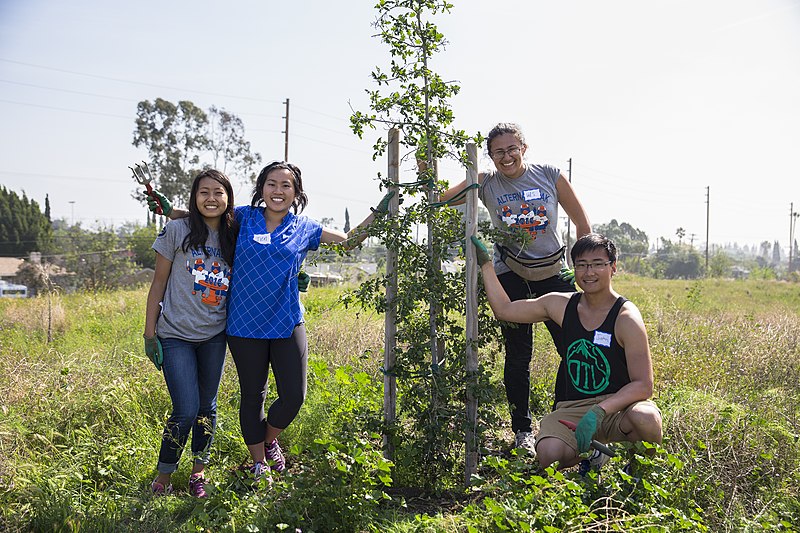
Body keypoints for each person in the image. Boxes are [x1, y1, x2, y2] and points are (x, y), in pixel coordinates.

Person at [150, 161, 393, 481]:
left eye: (286, 186)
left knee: (294, 395)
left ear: (296, 193)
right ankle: (258, 462)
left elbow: (348, 240)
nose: (278, 191)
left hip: (286, 320)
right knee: (254, 396)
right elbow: (209, 211)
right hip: (243, 324)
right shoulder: (244, 217)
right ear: (261, 189)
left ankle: (268, 440)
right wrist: (173, 211)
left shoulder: (305, 228)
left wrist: (379, 212)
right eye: (271, 184)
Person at [421, 123, 592, 453]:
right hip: (511, 273)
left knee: (573, 349)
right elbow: (440, 199)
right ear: (490, 156)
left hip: (554, 272)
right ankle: (522, 430)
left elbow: (582, 224)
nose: (507, 156)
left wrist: (583, 271)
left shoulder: (550, 176)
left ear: (524, 148)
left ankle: (570, 418)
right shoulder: (485, 182)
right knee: (518, 356)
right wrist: (426, 163)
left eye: (512, 149)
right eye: (498, 152)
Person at [472, 233, 663, 470]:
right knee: (548, 455)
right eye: (581, 265)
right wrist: (486, 264)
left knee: (646, 418)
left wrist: (600, 411)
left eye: (597, 264)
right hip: (573, 409)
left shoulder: (626, 318)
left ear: (613, 267)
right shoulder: (560, 305)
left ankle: (639, 474)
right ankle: (593, 453)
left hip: (617, 409)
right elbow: (505, 309)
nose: (589, 272)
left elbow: (644, 385)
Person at [144, 168, 238, 498]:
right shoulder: (176, 230)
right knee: (185, 408)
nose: (211, 198)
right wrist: (149, 333)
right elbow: (158, 283)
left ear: (229, 198)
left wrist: (292, 274)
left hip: (214, 335)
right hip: (175, 335)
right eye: (203, 192)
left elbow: (270, 248)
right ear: (194, 197)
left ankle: (199, 473)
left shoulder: (235, 233)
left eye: (218, 192)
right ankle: (164, 475)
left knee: (207, 408)